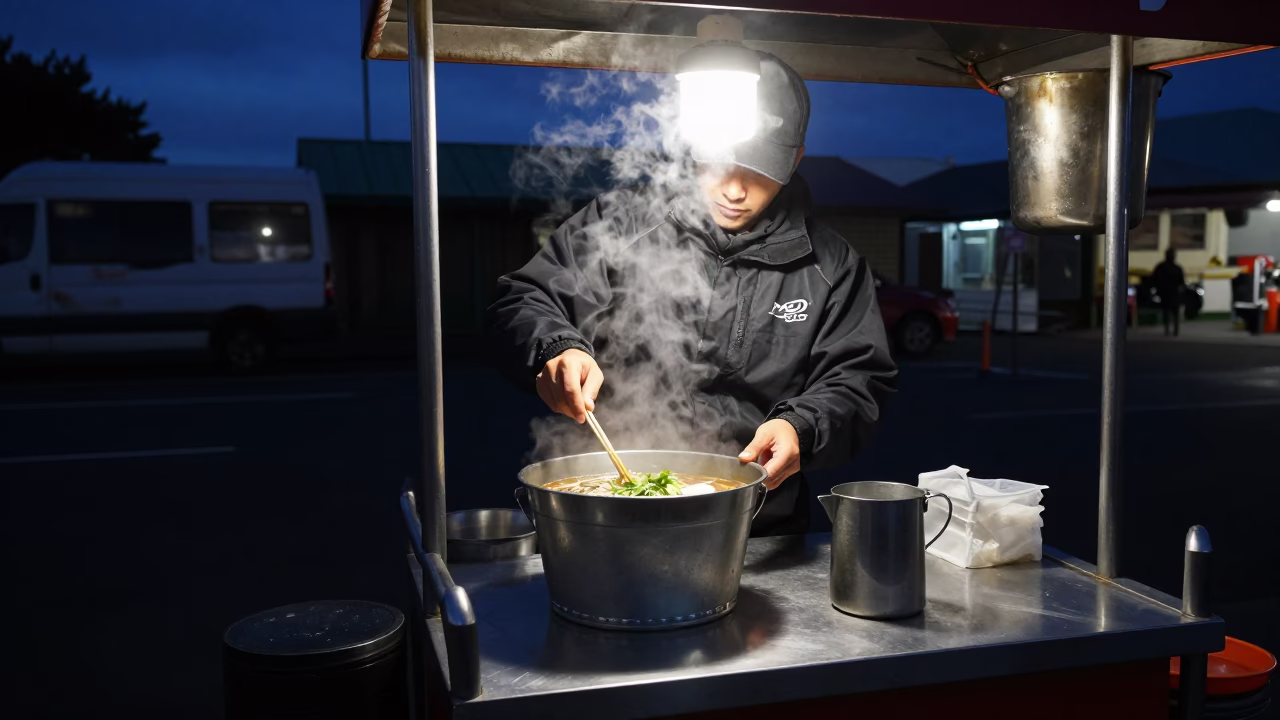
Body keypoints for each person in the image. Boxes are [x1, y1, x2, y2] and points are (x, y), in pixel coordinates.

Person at [487, 52, 897, 537]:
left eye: (761, 171)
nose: (735, 190)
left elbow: (858, 380)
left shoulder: (831, 266)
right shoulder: (620, 223)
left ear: (795, 159)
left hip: (758, 524)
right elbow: (524, 298)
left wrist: (801, 426)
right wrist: (556, 347)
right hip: (611, 509)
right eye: (721, 163)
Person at [1152, 248, 1186, 337]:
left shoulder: (1160, 267)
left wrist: (1157, 290)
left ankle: (1167, 330)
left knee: (1166, 312)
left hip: (1165, 294)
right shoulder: (1177, 268)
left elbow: (1154, 280)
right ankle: (1175, 330)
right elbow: (1182, 283)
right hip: (1174, 294)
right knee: (1175, 313)